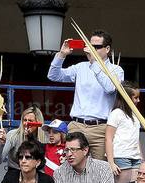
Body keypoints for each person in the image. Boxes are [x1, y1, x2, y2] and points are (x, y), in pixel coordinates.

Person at [48, 31, 122, 160]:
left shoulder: (116, 70)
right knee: (71, 167)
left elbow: (110, 88)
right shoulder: (81, 67)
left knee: (100, 170)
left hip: (101, 127)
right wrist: (61, 55)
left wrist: (94, 64)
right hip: (77, 125)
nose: (92, 49)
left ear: (107, 49)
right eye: (89, 45)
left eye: (96, 47)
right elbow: (53, 75)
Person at [105, 81, 145, 183]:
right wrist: (111, 162)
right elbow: (108, 138)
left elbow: (136, 138)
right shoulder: (116, 113)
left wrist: (142, 158)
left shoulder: (135, 115)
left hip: (135, 157)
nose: (138, 100)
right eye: (135, 97)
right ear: (126, 97)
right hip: (121, 156)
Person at [0, 105, 47, 171]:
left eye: (30, 121)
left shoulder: (45, 138)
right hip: (15, 173)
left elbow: (45, 165)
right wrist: (1, 144)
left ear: (38, 123)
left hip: (37, 174)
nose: (26, 123)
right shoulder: (13, 135)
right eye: (24, 120)